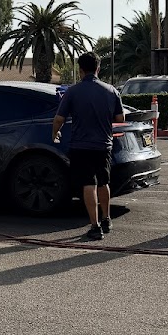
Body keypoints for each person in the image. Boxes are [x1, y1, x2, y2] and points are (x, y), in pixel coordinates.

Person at [52, 52, 124, 241]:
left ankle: (95, 226)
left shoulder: (73, 92)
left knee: (88, 184)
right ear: (98, 68)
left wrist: (55, 132)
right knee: (103, 182)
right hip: (104, 145)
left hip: (81, 145)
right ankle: (107, 219)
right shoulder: (111, 91)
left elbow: (59, 118)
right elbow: (120, 118)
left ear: (80, 70)